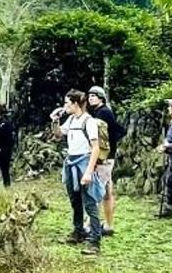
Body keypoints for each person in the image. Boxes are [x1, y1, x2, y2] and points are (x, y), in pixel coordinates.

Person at [50, 89, 108, 254]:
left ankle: (95, 241)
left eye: (67, 103)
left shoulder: (88, 122)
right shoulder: (71, 120)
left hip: (84, 162)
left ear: (76, 104)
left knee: (89, 202)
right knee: (75, 200)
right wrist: (55, 120)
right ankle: (78, 231)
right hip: (71, 162)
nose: (65, 106)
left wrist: (89, 172)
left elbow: (95, 148)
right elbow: (58, 135)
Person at [86, 86, 125, 235]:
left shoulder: (103, 113)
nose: (90, 98)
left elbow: (105, 135)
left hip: (105, 157)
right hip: (108, 156)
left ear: (101, 98)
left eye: (94, 96)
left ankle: (90, 225)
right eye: (89, 96)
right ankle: (108, 225)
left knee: (97, 190)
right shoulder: (99, 112)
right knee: (106, 191)